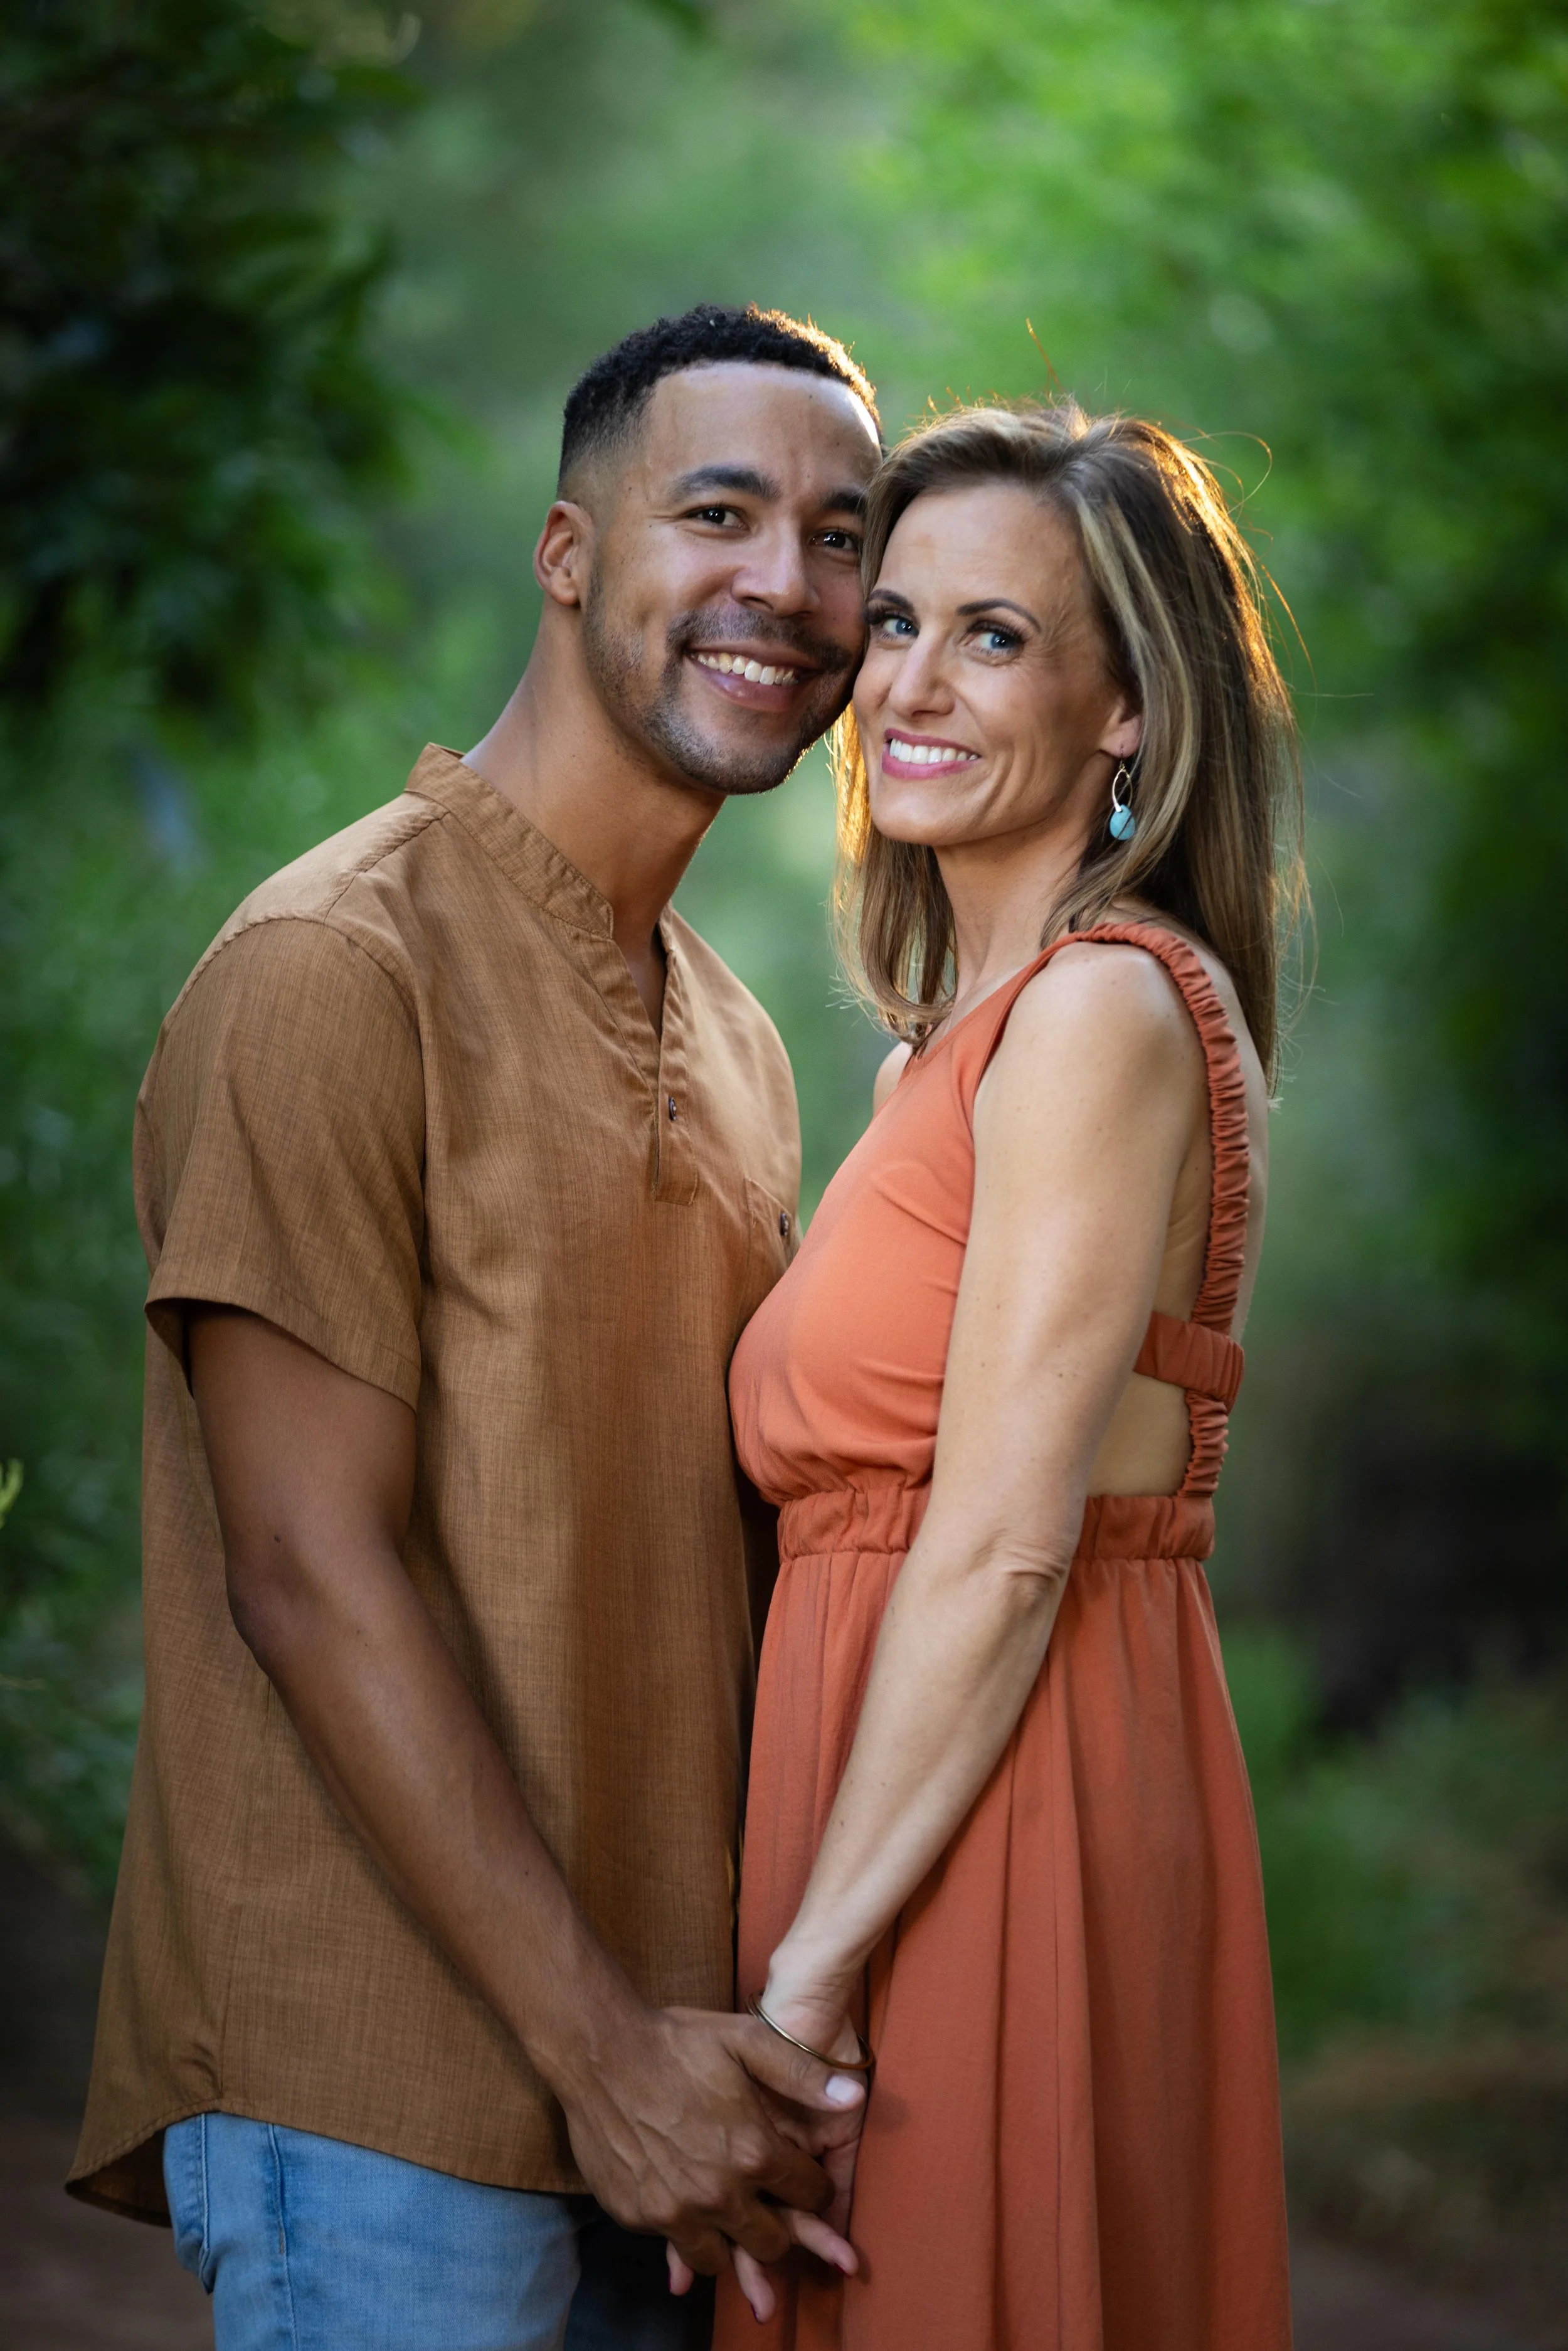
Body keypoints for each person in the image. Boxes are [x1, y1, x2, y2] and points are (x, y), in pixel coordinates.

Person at [67, 303, 884, 2351]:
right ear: (565, 552)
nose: (784, 581)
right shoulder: (333, 967)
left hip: (682, 2102)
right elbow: (306, 1571)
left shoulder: (740, 1037)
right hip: (390, 2101)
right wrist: (601, 2052)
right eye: (717, 511)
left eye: (841, 533)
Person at [711, 400, 1303, 2350]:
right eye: (893, 623)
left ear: (1124, 705)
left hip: (993, 1811)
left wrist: (805, 1982)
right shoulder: (929, 1063)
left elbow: (1002, 1548)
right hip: (887, 1796)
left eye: (994, 635)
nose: (911, 684)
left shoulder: (1103, 1009)